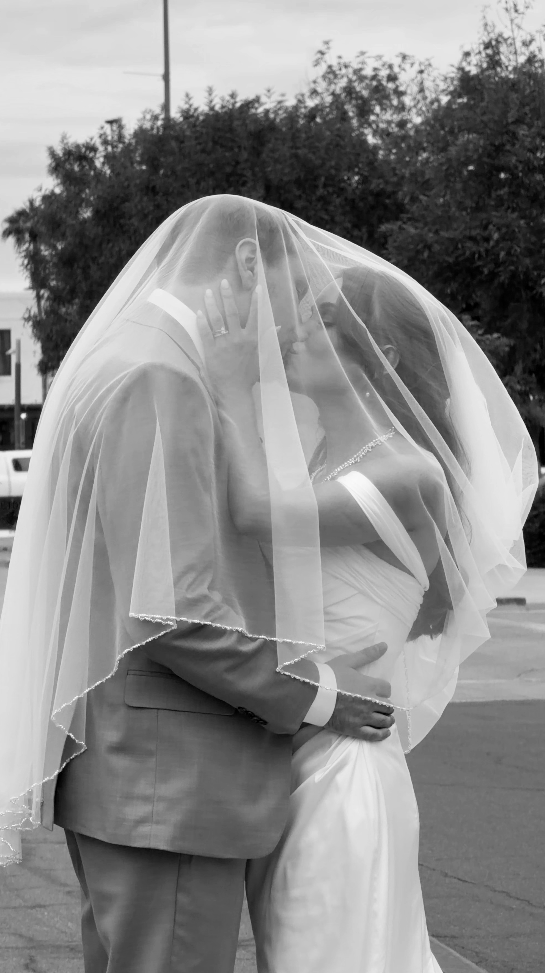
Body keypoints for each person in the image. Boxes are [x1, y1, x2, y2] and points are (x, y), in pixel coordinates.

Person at [0, 196, 399, 973]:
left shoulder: (135, 356)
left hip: (139, 777)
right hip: (170, 786)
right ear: (249, 265)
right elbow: (174, 612)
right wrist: (321, 691)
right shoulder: (163, 375)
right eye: (296, 296)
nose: (293, 327)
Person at [199, 217, 538, 971]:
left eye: (321, 319)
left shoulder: (405, 470)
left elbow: (256, 516)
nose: (296, 330)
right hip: (302, 752)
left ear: (375, 353)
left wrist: (227, 379)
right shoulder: (326, 455)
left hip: (345, 773)